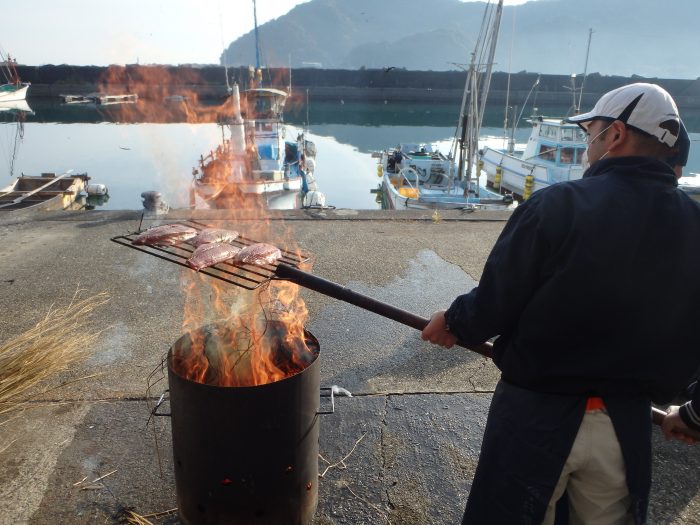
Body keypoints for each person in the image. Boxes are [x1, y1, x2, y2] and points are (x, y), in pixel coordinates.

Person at [422, 83, 700, 524]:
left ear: (615, 135)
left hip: (535, 417)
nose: (587, 142)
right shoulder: (695, 223)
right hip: (625, 426)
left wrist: (453, 322)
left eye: (590, 131)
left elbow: (498, 300)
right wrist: (694, 413)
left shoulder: (558, 204)